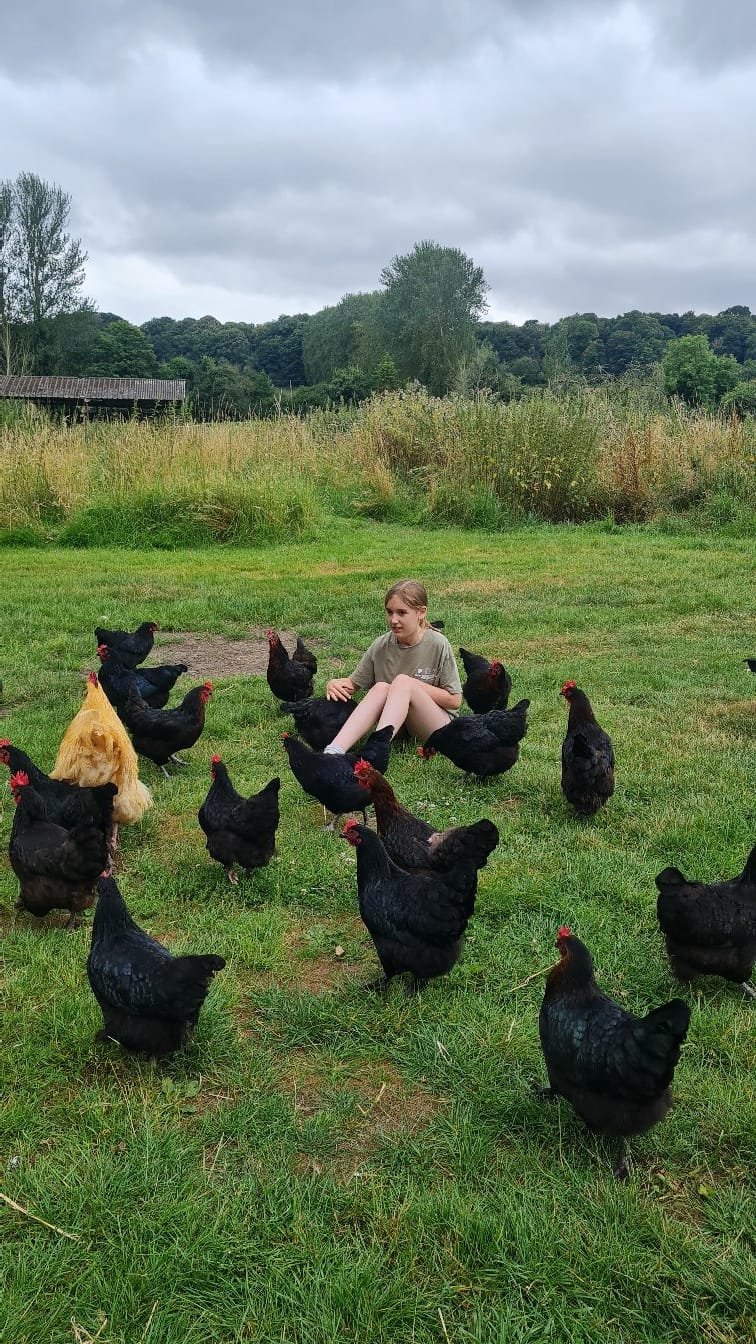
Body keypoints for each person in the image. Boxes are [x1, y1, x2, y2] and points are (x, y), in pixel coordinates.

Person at [323, 579, 462, 753]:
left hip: (437, 728)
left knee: (402, 682)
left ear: (421, 612)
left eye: (402, 613)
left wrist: (410, 685)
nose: (393, 620)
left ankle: (375, 752)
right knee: (381, 687)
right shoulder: (381, 645)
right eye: (390, 612)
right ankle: (334, 750)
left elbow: (455, 701)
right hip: (399, 727)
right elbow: (352, 684)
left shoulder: (437, 644)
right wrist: (333, 684)